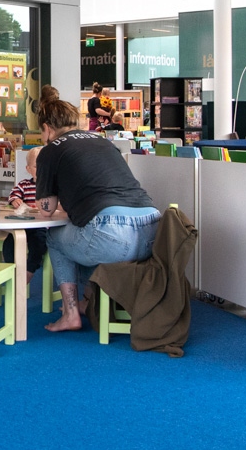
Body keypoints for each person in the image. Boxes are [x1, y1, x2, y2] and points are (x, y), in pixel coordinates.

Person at [31, 85, 161, 333]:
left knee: (56, 237)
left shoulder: (50, 151)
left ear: (47, 128)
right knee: (86, 235)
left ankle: (70, 313)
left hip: (112, 235)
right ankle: (87, 302)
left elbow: (46, 210)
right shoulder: (103, 141)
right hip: (152, 231)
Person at [0, 146, 48, 284]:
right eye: (36, 167)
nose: (41, 170)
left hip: (41, 227)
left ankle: (29, 271)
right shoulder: (24, 185)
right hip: (24, 225)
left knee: (39, 244)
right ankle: (13, 271)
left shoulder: (50, 186)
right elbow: (14, 194)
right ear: (28, 169)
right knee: (9, 243)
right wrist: (15, 200)